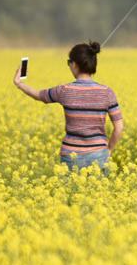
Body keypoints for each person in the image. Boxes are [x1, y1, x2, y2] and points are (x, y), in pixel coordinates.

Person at [14, 41, 124, 170]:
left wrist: (19, 84)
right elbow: (119, 127)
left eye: (69, 62)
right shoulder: (107, 92)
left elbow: (38, 95)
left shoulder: (65, 90)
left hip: (71, 156)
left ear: (75, 65)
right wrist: (109, 150)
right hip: (98, 155)